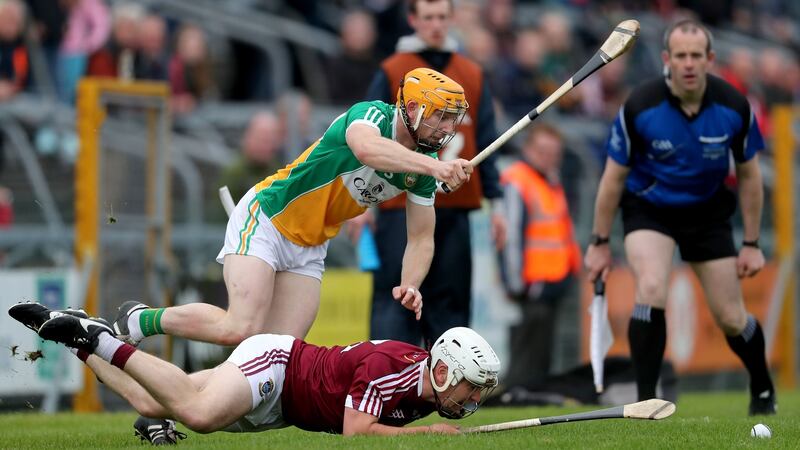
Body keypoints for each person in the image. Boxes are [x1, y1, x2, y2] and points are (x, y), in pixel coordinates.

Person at [111, 67, 474, 352]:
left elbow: (422, 237)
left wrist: (410, 283)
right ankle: (141, 320)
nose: (447, 128)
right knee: (242, 327)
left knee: (276, 355)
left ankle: (173, 408)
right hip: (268, 217)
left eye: (450, 118)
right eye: (440, 116)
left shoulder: (422, 166)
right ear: (412, 108)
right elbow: (366, 150)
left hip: (310, 247)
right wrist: (434, 167)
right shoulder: (371, 117)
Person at [583, 19, 776, 415]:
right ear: (667, 59)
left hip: (707, 212)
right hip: (649, 209)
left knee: (730, 317)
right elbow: (611, 180)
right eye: (680, 56)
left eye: (696, 56)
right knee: (651, 287)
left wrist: (752, 244)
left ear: (710, 59)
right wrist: (599, 243)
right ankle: (645, 401)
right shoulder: (640, 106)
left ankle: (762, 388)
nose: (688, 64)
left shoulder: (734, 107)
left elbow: (751, 176)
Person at [10, 303, 500, 442]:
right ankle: (103, 337)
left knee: (150, 403)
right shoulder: (391, 369)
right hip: (280, 367)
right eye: (469, 385)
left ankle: (80, 341)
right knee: (197, 414)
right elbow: (357, 434)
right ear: (442, 367)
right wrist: (430, 434)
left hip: (284, 407)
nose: (470, 398)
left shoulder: (424, 390)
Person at [354, 0, 505, 348]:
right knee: (396, 299)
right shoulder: (394, 70)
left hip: (455, 205)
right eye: (428, 17)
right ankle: (386, 384)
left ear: (451, 20)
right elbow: (369, 136)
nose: (435, 25)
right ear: (413, 20)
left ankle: (450, 390)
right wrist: (363, 204)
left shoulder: (472, 72)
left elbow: (486, 140)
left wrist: (497, 205)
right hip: (398, 204)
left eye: (442, 17)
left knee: (451, 307)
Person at [499, 124, 581, 389]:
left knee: (542, 348)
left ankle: (533, 393)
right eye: (543, 151)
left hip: (553, 278)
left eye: (554, 153)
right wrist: (515, 283)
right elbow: (509, 236)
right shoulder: (517, 179)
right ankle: (516, 395)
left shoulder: (550, 180)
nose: (549, 158)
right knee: (527, 348)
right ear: (528, 149)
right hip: (531, 281)